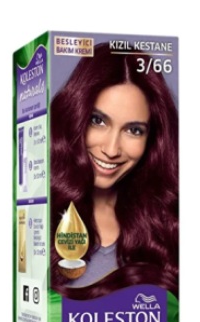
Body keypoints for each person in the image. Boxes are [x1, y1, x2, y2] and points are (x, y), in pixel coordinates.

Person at [50, 42, 178, 300]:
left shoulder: (168, 227)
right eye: (97, 121)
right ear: (75, 117)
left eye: (134, 130)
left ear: (152, 139)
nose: (111, 150)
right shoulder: (41, 216)